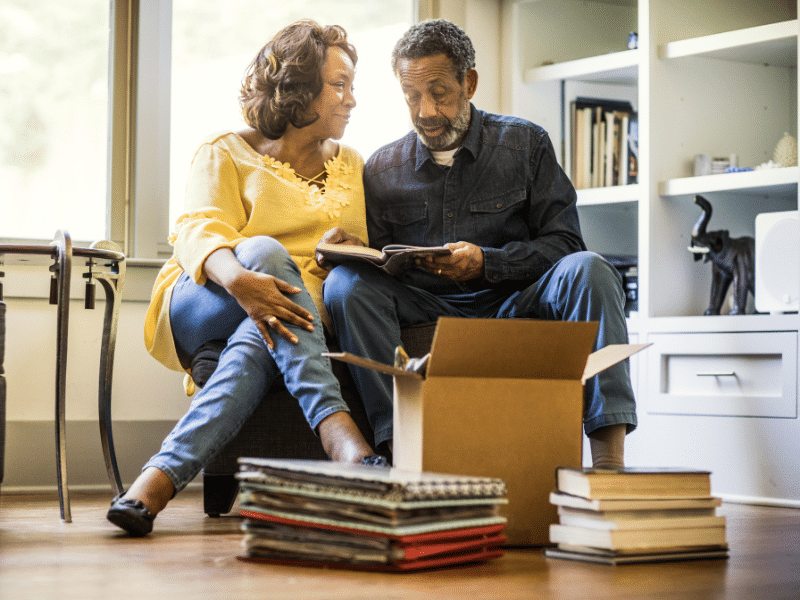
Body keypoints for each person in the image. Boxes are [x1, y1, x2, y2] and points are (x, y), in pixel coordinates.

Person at [320, 19, 637, 468]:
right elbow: (384, 266)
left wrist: (487, 263)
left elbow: (565, 243)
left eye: (439, 93)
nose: (426, 111)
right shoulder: (382, 168)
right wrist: (353, 251)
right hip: (425, 305)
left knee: (591, 269)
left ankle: (609, 464)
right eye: (412, 96)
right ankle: (399, 454)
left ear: (468, 83)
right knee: (344, 286)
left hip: (512, 301)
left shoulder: (525, 144)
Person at [107, 20, 380, 537]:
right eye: (339, 85)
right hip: (207, 292)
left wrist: (348, 252)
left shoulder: (353, 166)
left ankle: (154, 483)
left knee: (261, 334)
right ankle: (338, 432)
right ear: (299, 89)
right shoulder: (225, 150)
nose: (351, 100)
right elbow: (196, 232)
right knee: (263, 250)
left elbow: (359, 254)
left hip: (292, 311)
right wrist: (241, 279)